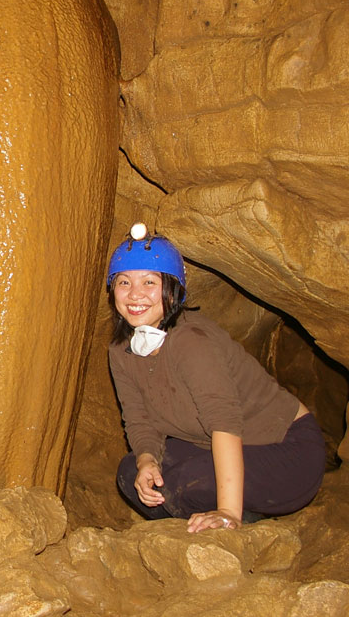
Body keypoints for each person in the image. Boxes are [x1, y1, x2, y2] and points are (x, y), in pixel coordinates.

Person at [106, 223, 323, 533]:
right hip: (212, 447)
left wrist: (227, 511)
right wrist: (147, 461)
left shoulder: (192, 341)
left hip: (288, 449)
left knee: (189, 483)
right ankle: (200, 527)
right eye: (124, 282)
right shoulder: (121, 351)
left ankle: (239, 522)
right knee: (132, 475)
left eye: (149, 282)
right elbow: (139, 420)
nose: (135, 294)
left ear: (171, 289)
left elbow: (224, 422)